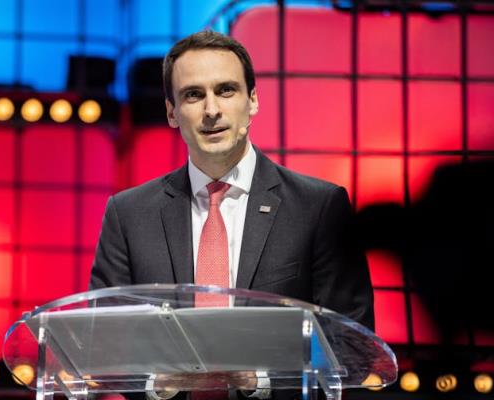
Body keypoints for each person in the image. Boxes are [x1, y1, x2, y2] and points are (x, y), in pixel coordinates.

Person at [90, 30, 374, 399]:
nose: (211, 110)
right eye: (193, 95)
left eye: (226, 90)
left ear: (252, 100)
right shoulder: (128, 215)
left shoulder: (318, 208)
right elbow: (103, 345)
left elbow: (353, 347)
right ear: (172, 112)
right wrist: (155, 384)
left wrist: (259, 381)